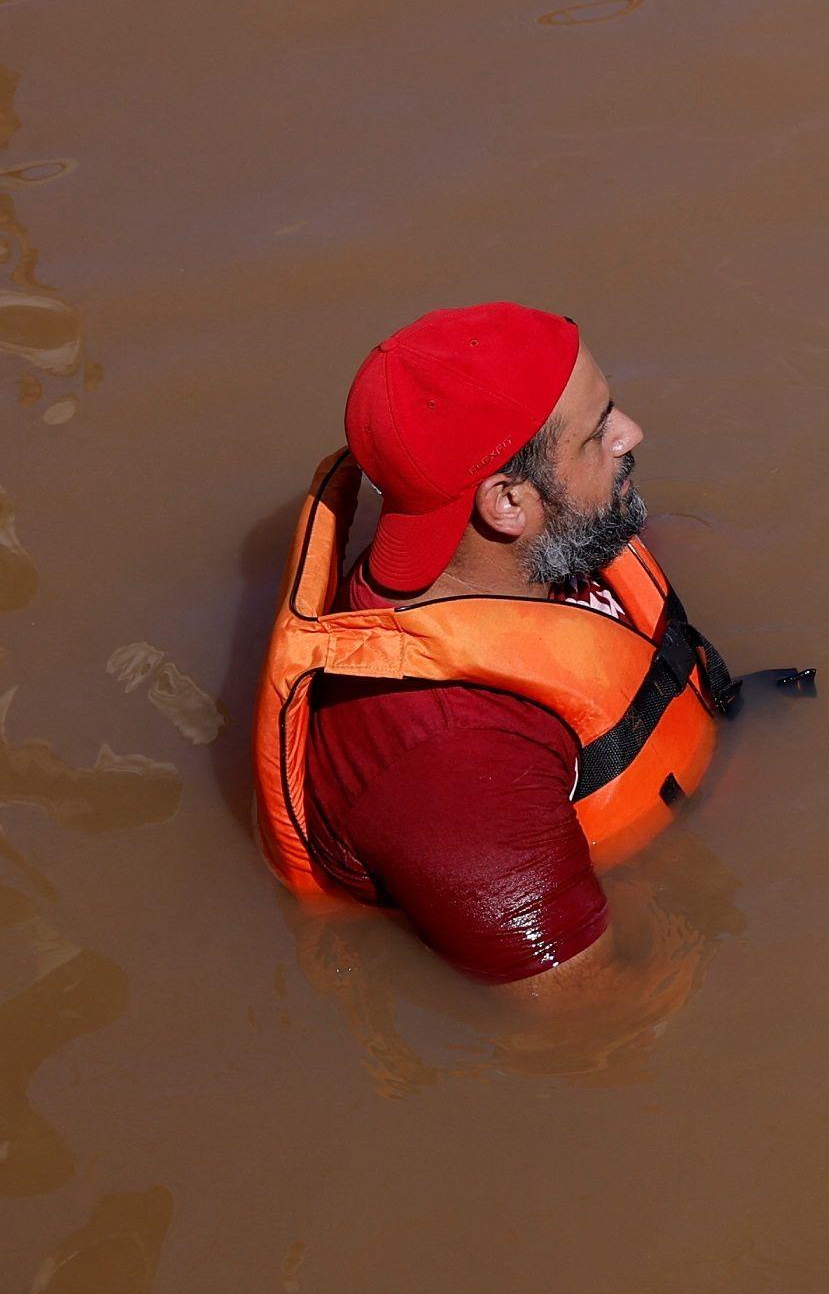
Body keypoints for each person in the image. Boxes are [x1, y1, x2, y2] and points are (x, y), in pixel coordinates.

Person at [250, 305, 744, 988]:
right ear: (506, 503)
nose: (632, 433)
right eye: (597, 432)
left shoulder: (523, 545)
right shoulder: (456, 772)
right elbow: (589, 1018)